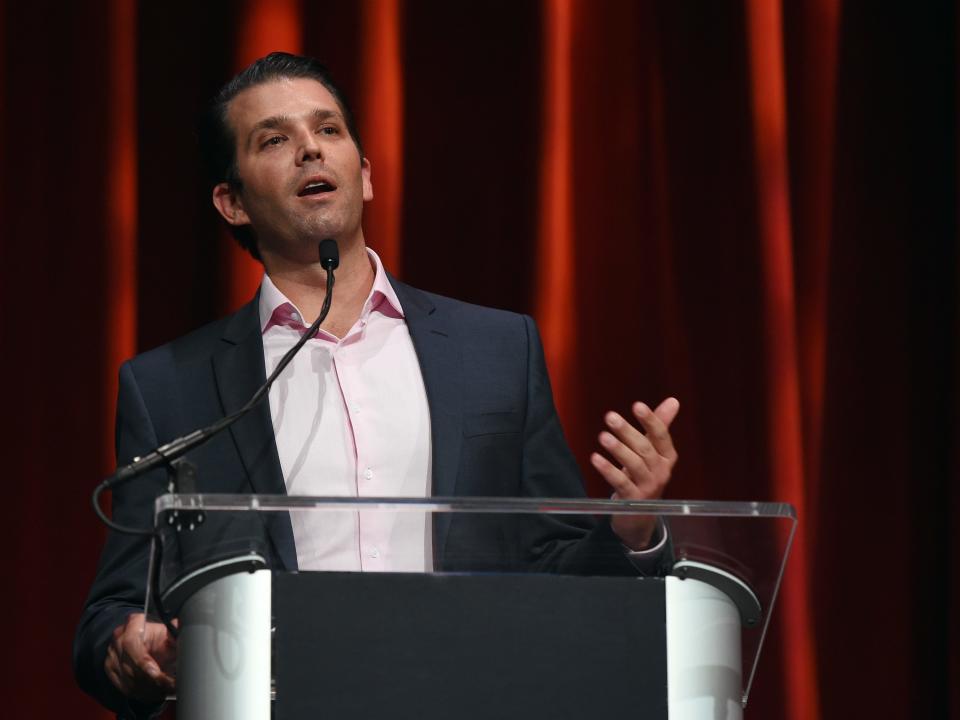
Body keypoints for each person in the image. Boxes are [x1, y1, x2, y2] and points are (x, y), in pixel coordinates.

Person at [73, 53, 680, 717]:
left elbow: (557, 568)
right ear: (233, 201)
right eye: (274, 140)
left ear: (363, 175)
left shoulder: (497, 351)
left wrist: (629, 527)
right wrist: (131, 648)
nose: (309, 149)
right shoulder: (168, 388)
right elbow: (115, 611)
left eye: (328, 131)